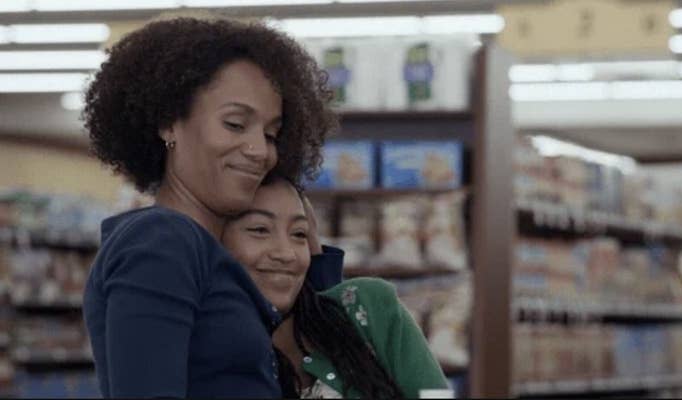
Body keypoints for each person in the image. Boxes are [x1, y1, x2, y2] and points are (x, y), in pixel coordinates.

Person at [81, 17, 340, 398]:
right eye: (236, 124)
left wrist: (311, 250)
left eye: (271, 134)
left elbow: (320, 350)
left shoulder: (213, 257)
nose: (259, 150)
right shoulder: (163, 241)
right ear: (169, 123)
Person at [222, 174, 450, 398]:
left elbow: (434, 394)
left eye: (299, 233)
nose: (286, 253)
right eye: (260, 230)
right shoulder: (207, 351)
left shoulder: (367, 307)